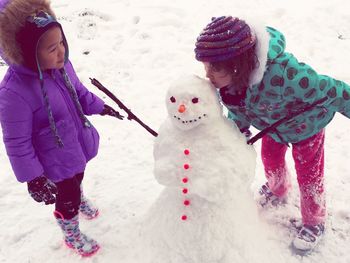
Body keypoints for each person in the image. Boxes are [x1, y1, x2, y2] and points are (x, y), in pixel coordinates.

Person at [194, 15, 350, 254]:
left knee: (309, 175)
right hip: (273, 127)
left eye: (213, 68)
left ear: (238, 64)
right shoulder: (231, 84)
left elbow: (332, 89)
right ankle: (278, 187)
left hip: (307, 127)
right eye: (205, 66)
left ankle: (315, 222)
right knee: (271, 159)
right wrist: (239, 130)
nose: (207, 74)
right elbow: (240, 109)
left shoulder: (287, 74)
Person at [0, 0, 123, 257]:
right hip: (52, 160)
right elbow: (16, 142)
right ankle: (71, 233)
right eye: (51, 48)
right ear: (26, 52)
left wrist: (100, 107)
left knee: (77, 176)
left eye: (62, 43)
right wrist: (33, 177)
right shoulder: (14, 92)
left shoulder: (62, 65)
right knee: (66, 197)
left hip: (74, 145)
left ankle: (77, 195)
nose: (61, 53)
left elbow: (78, 92)